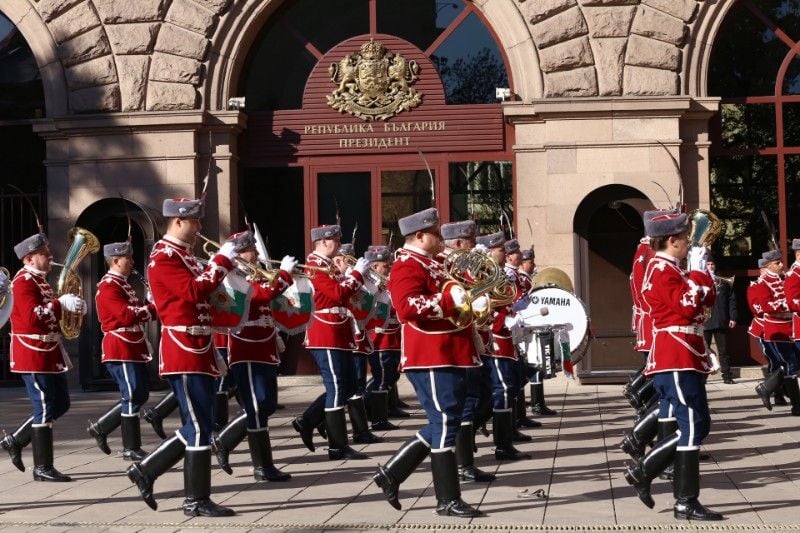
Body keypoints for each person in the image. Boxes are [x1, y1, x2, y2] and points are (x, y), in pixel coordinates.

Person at [126, 197, 237, 517]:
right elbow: (192, 292)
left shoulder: (184, 257)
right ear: (177, 222)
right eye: (195, 222)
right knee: (200, 425)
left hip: (198, 346)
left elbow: (207, 301)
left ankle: (147, 471)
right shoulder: (163, 258)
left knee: (199, 423)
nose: (200, 228)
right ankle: (195, 500)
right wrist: (220, 263)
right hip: (182, 349)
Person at [373, 207, 484, 517]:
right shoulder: (407, 265)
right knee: (447, 422)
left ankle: (392, 473)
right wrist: (450, 300)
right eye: (436, 234)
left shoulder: (434, 263)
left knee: (446, 420)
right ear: (419, 236)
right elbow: (407, 307)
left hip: (451, 349)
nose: (441, 238)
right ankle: (446, 499)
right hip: (431, 353)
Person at [624, 210, 722, 521]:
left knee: (699, 424)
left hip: (685, 353)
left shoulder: (673, 269)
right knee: (693, 426)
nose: (688, 243)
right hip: (675, 354)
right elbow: (690, 305)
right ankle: (682, 499)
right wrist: (698, 274)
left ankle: (649, 471)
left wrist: (698, 277)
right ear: (671, 240)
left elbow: (707, 300)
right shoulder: (660, 270)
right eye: (684, 239)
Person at [1, 232, 86, 482]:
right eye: (44, 253)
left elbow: (49, 316)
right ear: (29, 258)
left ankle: (16, 441)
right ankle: (42, 467)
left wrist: (75, 308)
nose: (50, 256)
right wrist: (61, 304)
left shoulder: (42, 281)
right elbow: (32, 317)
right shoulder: (23, 282)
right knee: (45, 406)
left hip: (49, 352)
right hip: (33, 353)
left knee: (61, 403)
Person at [212, 230, 296, 481]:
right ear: (240, 252)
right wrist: (284, 275)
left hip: (263, 346)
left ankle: (225, 441)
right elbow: (261, 295)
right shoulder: (232, 275)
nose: (257, 254)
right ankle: (262, 466)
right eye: (253, 250)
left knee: (267, 403)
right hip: (246, 347)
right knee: (257, 405)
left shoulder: (249, 273)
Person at [291, 224, 372, 460]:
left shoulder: (328, 265)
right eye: (336, 240)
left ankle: (307, 420)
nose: (339, 245)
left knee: (346, 386)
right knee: (337, 387)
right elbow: (337, 294)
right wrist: (356, 275)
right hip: (325, 331)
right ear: (324, 242)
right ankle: (337, 446)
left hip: (339, 330)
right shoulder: (315, 265)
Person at [88, 240, 156, 461]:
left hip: (132, 345)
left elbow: (138, 310)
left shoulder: (123, 284)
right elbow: (126, 315)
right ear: (116, 260)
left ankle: (102, 427)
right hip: (121, 347)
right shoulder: (108, 286)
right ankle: (130, 447)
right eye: (128, 258)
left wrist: (154, 302)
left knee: (140, 392)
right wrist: (150, 308)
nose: (133, 262)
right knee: (133, 393)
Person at [440, 220, 495, 483]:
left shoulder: (463, 265)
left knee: (480, 397)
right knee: (466, 403)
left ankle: (465, 454)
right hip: (456, 341)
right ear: (459, 243)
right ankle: (463, 463)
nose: (475, 245)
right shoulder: (446, 266)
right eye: (471, 241)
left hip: (472, 339)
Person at [476, 231, 531, 461]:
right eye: (501, 250)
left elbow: (506, 300)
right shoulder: (486, 273)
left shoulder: (498, 273)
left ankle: (504, 439)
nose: (505, 253)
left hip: (505, 336)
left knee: (507, 389)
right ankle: (501, 444)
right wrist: (504, 319)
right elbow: (485, 305)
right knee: (502, 391)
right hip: (496, 337)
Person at [751, 249, 800, 414]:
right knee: (789, 365)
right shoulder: (762, 283)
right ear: (767, 266)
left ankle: (768, 388)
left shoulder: (786, 277)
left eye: (781, 262)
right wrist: (788, 304)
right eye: (777, 263)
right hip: (776, 328)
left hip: (791, 327)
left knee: (793, 365)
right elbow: (766, 306)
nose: (781, 265)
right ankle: (796, 404)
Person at [364, 245, 402, 432]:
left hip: (392, 335)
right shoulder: (371, 286)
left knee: (392, 375)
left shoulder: (386, 283)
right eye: (385, 266)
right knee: (382, 377)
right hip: (380, 337)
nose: (389, 268)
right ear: (374, 267)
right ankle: (376, 416)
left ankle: (376, 410)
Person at [702, 256, 738, 384]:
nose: (711, 266)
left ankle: (727, 376)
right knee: (702, 351)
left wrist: (733, 317)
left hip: (720, 319)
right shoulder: (699, 280)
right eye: (708, 264)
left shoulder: (723, 281)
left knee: (724, 351)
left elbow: (731, 300)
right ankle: (703, 377)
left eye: (712, 264)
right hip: (705, 321)